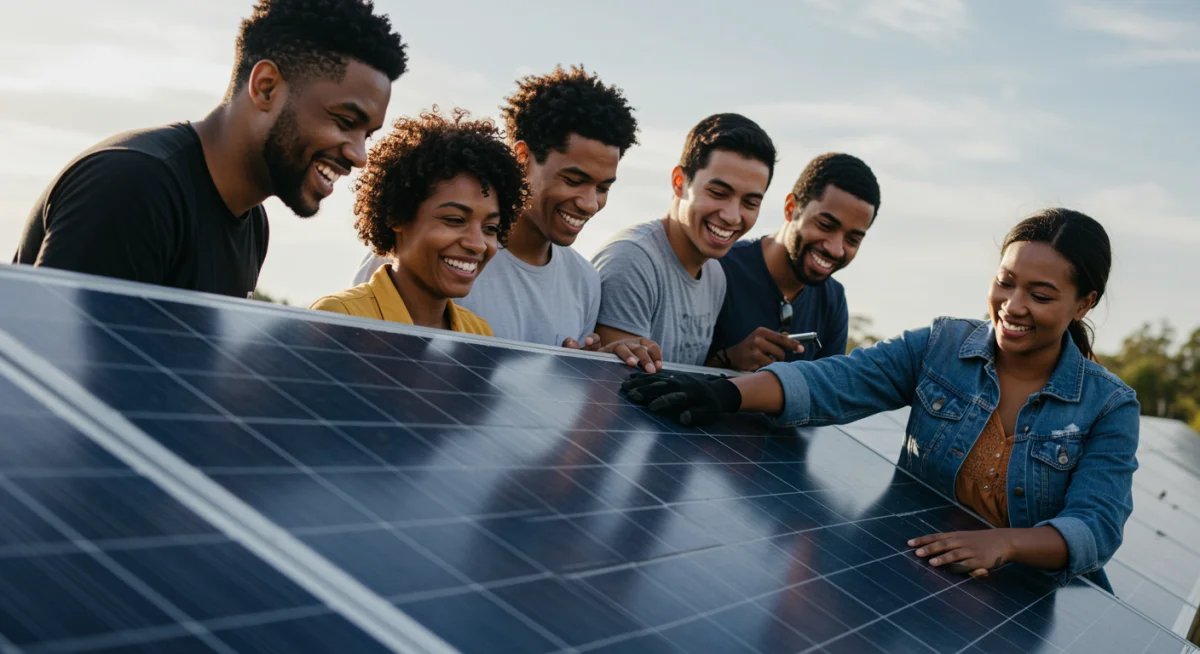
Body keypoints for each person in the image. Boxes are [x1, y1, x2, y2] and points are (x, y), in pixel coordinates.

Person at [623, 208, 1138, 591]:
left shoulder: (1109, 406)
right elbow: (834, 381)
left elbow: (1095, 527)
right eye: (1005, 283)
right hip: (923, 578)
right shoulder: (940, 348)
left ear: (1083, 303)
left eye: (1041, 295)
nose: (1014, 306)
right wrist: (724, 393)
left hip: (1034, 602)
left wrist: (1005, 543)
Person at [13, 0, 407, 298]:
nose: (359, 155)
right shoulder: (133, 188)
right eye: (344, 122)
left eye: (367, 134)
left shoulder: (253, 224)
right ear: (266, 87)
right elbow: (51, 375)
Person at [352, 65, 662, 372]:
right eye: (573, 180)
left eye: (603, 187)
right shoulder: (423, 255)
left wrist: (582, 376)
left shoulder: (585, 282)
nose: (590, 203)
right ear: (522, 157)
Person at [309, 109, 527, 334]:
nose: (478, 244)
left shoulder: (479, 333)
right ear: (397, 215)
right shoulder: (338, 319)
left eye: (490, 228)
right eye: (455, 220)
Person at [591, 113, 777, 366]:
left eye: (750, 202)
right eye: (718, 193)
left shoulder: (715, 276)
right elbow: (614, 391)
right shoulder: (632, 261)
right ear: (679, 182)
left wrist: (729, 360)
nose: (732, 217)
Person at [707, 153, 880, 371]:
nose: (835, 249)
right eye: (825, 225)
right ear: (791, 208)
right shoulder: (719, 268)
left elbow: (827, 393)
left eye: (852, 239)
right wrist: (726, 361)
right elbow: (667, 375)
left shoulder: (833, 300)